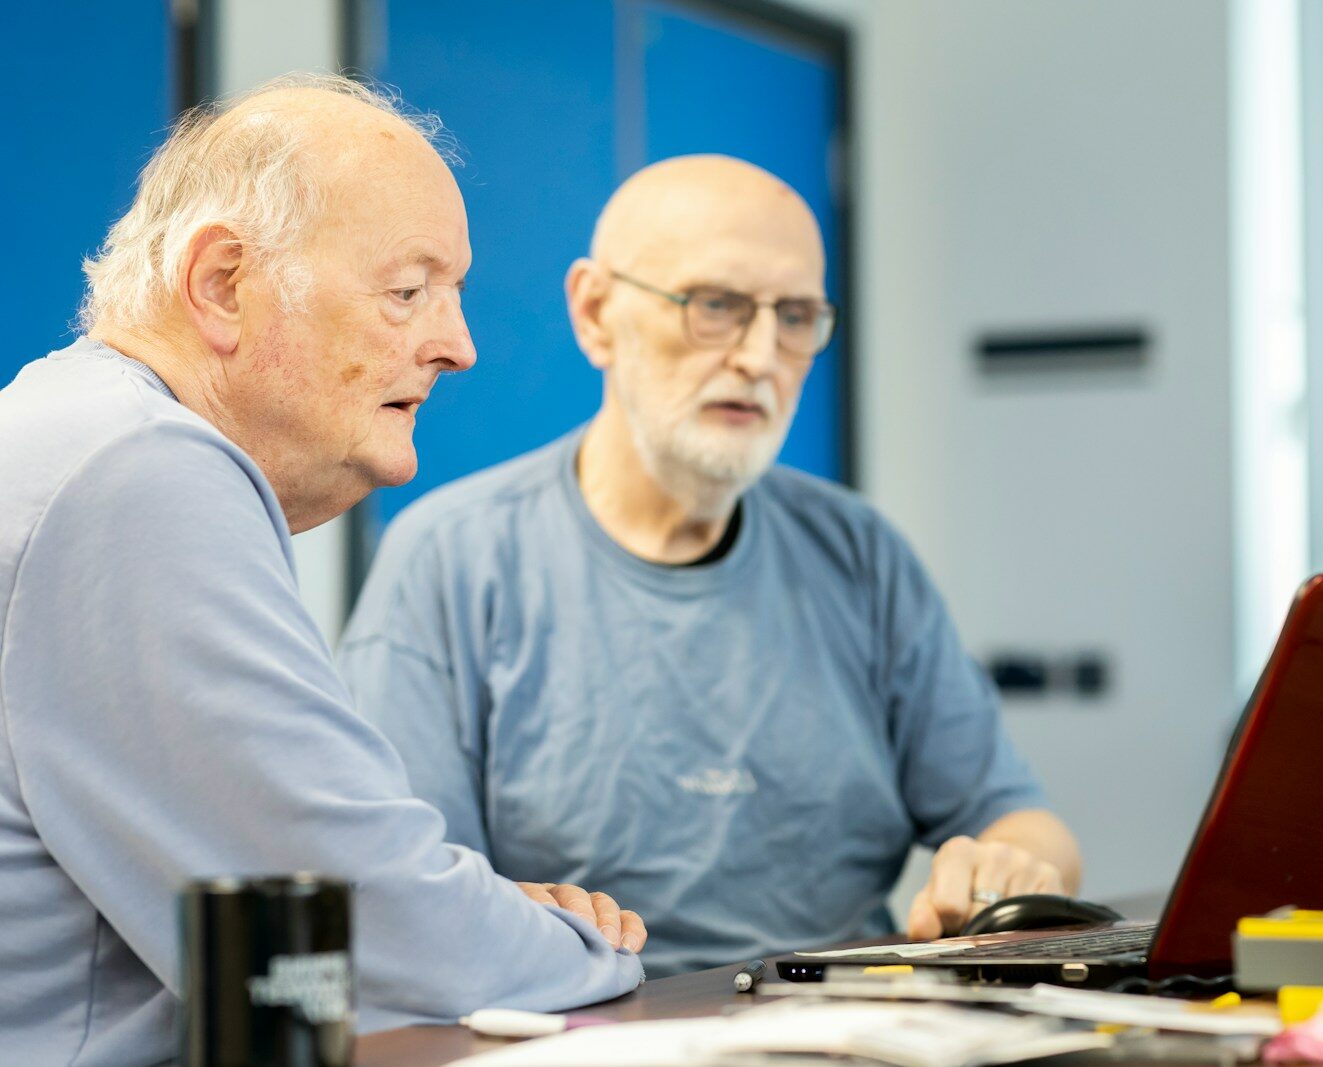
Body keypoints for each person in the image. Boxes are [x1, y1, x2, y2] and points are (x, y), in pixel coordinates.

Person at [0, 75, 644, 1065]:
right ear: (220, 283)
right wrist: (567, 942)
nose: (458, 345)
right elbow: (375, 932)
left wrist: (447, 906)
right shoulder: (137, 474)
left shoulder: (71, 430)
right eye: (407, 291)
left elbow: (339, 894)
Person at [338, 155, 1082, 977]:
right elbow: (408, 897)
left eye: (796, 316)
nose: (761, 357)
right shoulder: (450, 559)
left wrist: (1009, 866)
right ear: (595, 313)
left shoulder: (861, 556)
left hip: (850, 1020)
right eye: (716, 307)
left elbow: (1021, 822)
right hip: (588, 1025)